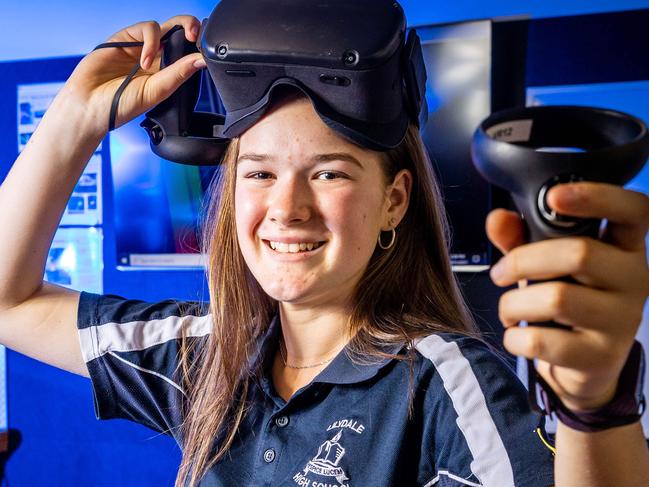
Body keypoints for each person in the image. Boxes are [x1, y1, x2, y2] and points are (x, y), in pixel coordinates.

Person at [0, 10, 648, 487]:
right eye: (257, 173)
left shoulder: (442, 380)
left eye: (329, 172)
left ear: (394, 199)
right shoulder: (203, 353)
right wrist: (74, 117)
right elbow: (9, 300)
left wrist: (597, 406)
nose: (287, 208)